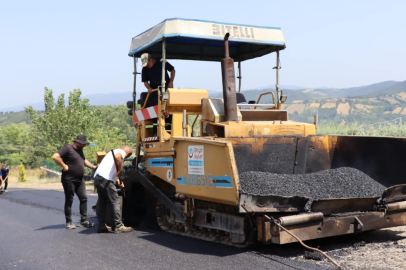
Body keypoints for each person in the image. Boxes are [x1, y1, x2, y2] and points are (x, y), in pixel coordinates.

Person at [52, 135, 97, 229]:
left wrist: (93, 167)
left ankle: (84, 221)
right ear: (77, 142)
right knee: (69, 200)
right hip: (69, 180)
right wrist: (64, 165)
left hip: (79, 180)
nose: (84, 146)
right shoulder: (68, 148)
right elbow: (55, 156)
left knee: (84, 198)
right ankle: (69, 222)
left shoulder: (80, 150)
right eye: (83, 144)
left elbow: (83, 161)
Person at [94, 146, 133, 233]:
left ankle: (101, 226)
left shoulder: (113, 152)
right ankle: (119, 225)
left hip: (98, 178)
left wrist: (119, 180)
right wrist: (120, 170)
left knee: (102, 201)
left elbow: (112, 169)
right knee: (115, 201)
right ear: (128, 154)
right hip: (106, 180)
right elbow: (117, 158)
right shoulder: (120, 153)